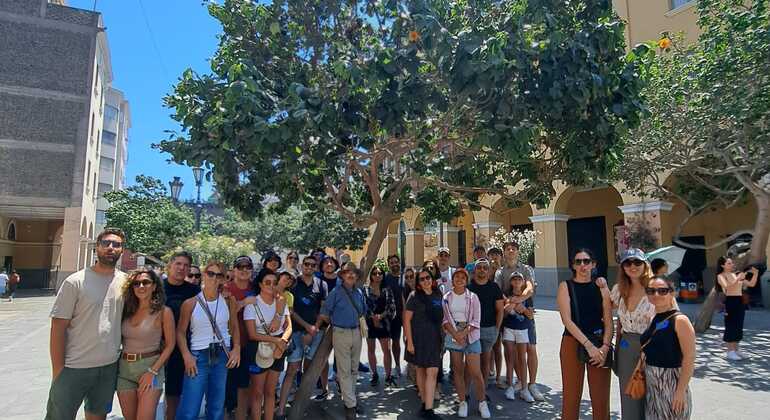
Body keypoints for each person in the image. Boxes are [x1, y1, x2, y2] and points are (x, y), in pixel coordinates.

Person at [45, 228, 127, 420]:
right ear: (97, 248)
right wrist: (58, 370)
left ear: (122, 250)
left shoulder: (125, 281)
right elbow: (58, 328)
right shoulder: (75, 282)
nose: (111, 248)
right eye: (106, 243)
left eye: (116, 245)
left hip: (108, 367)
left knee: (98, 416)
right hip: (74, 367)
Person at [175, 261, 241, 420]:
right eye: (210, 273)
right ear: (204, 274)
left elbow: (234, 326)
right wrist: (187, 356)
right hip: (198, 356)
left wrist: (236, 348)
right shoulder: (190, 303)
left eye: (219, 275)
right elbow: (180, 332)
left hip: (222, 355)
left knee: (216, 407)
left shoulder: (228, 301)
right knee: (190, 409)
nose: (214, 278)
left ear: (224, 279)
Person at [557, 248, 612, 420]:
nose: (582, 265)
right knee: (571, 398)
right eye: (578, 262)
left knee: (601, 399)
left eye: (586, 261)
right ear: (573, 266)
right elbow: (567, 320)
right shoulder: (565, 286)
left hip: (599, 344)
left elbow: (609, 320)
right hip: (572, 342)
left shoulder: (601, 286)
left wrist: (605, 346)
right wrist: (588, 346)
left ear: (593, 264)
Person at [117, 268, 176, 420]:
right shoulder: (125, 310)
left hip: (150, 367)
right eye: (136, 283)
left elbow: (170, 345)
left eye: (146, 282)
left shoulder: (164, 312)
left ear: (154, 286)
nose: (141, 286)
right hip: (124, 370)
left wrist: (153, 371)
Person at [277, 255, 328, 418]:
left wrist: (315, 328)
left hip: (316, 332)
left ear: (316, 267)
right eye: (306, 264)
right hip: (296, 332)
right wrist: (307, 327)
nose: (309, 267)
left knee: (309, 370)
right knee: (292, 369)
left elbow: (323, 309)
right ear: (302, 265)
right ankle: (281, 409)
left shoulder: (322, 284)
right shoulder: (294, 283)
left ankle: (300, 404)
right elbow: (290, 310)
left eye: (313, 265)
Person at [492, 241, 542, 399]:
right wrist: (512, 304)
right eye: (508, 249)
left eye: (514, 248)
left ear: (518, 252)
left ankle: (532, 384)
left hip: (526, 311)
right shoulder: (500, 272)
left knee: (531, 348)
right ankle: (520, 381)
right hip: (510, 314)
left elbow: (530, 288)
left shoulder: (526, 269)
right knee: (512, 350)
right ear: (504, 252)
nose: (511, 251)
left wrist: (518, 301)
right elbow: (498, 291)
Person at [610, 248, 655, 420]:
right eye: (627, 263)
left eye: (637, 262)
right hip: (626, 346)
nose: (632, 266)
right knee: (629, 393)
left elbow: (672, 317)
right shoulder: (619, 289)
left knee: (652, 394)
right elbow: (606, 309)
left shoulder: (655, 288)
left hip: (651, 346)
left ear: (645, 265)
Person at [317, 268, 368, 420]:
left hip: (357, 333)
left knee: (353, 369)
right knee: (344, 370)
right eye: (347, 273)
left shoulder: (359, 293)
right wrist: (335, 323)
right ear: (343, 276)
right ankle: (350, 405)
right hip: (340, 333)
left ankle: (350, 399)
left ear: (357, 276)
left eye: (354, 273)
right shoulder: (336, 292)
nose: (351, 275)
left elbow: (363, 310)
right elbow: (325, 312)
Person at [641, 277, 695, 420]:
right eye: (651, 291)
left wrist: (680, 391)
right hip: (653, 387)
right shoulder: (654, 318)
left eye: (662, 291)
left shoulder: (680, 320)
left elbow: (689, 358)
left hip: (672, 384)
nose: (656, 295)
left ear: (672, 293)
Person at [244, 271, 292, 420]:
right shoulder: (253, 304)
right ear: (260, 285)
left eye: (274, 282)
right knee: (258, 392)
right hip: (258, 348)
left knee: (271, 392)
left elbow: (289, 326)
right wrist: (276, 341)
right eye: (267, 282)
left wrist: (282, 341)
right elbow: (252, 334)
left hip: (278, 347)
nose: (271, 285)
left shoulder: (281, 301)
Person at [442, 269, 489, 419]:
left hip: (471, 335)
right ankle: (462, 402)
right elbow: (445, 320)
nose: (460, 279)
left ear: (466, 280)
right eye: (457, 277)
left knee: (475, 372)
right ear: (453, 279)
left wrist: (463, 334)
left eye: (463, 277)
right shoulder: (446, 297)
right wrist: (456, 334)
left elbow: (476, 320)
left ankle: (482, 402)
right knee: (458, 371)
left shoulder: (473, 297)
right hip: (453, 334)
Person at [162, 251, 200, 420]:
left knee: (176, 393)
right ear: (170, 265)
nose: (181, 268)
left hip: (185, 346)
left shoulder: (194, 290)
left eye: (185, 265)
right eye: (178, 264)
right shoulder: (157, 287)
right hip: (158, 346)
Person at [404, 268, 444, 419]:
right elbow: (406, 320)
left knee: (432, 372)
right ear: (418, 282)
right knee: (421, 371)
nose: (426, 280)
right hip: (418, 339)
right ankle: (425, 405)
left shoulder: (438, 294)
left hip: (434, 339)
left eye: (428, 277)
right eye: (422, 279)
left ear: (432, 279)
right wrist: (409, 343)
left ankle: (428, 409)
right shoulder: (414, 296)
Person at [223, 256, 256, 420]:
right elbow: (221, 315)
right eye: (240, 267)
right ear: (234, 269)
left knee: (245, 385)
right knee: (226, 384)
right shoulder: (225, 289)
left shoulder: (256, 288)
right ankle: (225, 413)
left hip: (251, 343)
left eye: (248, 267)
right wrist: (243, 303)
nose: (244, 270)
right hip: (228, 343)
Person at [467, 258, 503, 400]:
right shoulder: (469, 288)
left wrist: (497, 329)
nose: (482, 270)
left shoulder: (494, 287)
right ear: (475, 270)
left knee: (486, 360)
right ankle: (467, 392)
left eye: (485, 268)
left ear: (489, 272)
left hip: (489, 329)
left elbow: (500, 310)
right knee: (470, 361)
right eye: (479, 267)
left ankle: (483, 391)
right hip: (472, 330)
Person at [717, 256, 759, 360]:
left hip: (739, 301)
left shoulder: (735, 274)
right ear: (723, 265)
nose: (732, 265)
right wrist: (738, 279)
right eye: (729, 263)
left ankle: (736, 349)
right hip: (730, 301)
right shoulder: (721, 276)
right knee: (731, 325)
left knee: (738, 325)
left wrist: (755, 273)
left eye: (732, 263)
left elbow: (751, 284)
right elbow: (727, 287)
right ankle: (730, 351)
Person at [502, 272, 535, 403]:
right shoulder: (507, 295)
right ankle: (510, 386)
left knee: (522, 358)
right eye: (514, 279)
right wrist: (510, 305)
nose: (516, 281)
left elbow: (531, 315)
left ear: (523, 282)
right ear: (511, 282)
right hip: (509, 328)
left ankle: (524, 389)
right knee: (510, 358)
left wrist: (523, 309)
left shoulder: (526, 297)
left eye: (519, 279)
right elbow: (504, 313)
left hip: (523, 329)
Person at [364, 265, 397, 387]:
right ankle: (374, 374)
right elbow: (364, 306)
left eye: (379, 273)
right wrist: (373, 317)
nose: (377, 275)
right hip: (370, 324)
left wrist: (381, 317)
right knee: (371, 349)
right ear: (371, 275)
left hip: (384, 324)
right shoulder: (365, 290)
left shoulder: (387, 289)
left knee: (387, 350)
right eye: (375, 273)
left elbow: (391, 306)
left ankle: (388, 375)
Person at [384, 254, 405, 380]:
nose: (394, 264)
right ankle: (397, 366)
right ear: (389, 265)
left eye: (396, 262)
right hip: (393, 316)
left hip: (408, 314)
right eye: (391, 262)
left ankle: (412, 366)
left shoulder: (405, 276)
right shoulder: (386, 278)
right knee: (395, 342)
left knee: (409, 342)